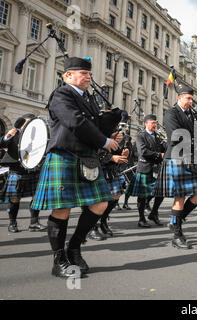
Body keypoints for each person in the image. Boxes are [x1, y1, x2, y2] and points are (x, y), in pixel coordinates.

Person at [31, 57, 120, 278]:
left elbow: (94, 124)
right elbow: (75, 121)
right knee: (62, 209)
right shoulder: (61, 95)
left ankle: (74, 247)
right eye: (82, 73)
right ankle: (59, 259)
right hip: (64, 155)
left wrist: (110, 126)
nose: (88, 76)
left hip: (87, 157)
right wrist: (105, 142)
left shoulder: (89, 98)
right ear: (67, 76)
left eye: (89, 74)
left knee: (100, 204)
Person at [153, 85, 197, 250]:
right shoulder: (171, 113)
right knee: (180, 198)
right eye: (188, 98)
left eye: (192, 99)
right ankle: (177, 236)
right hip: (176, 158)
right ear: (179, 98)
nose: (190, 102)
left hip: (190, 159)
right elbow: (175, 136)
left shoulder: (191, 115)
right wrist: (196, 146)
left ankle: (177, 218)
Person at [0, 114, 46, 233]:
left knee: (37, 198)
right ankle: (12, 223)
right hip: (17, 170)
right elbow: (3, 144)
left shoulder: (39, 136)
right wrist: (10, 134)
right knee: (14, 199)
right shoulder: (14, 133)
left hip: (34, 170)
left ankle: (34, 223)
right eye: (27, 122)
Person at [128, 115, 165, 228]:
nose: (155, 125)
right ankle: (141, 219)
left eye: (155, 123)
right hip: (144, 168)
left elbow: (164, 149)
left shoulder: (158, 137)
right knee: (142, 196)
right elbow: (143, 151)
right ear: (146, 123)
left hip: (156, 169)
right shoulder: (141, 136)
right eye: (152, 123)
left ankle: (153, 213)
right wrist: (159, 155)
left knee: (161, 192)